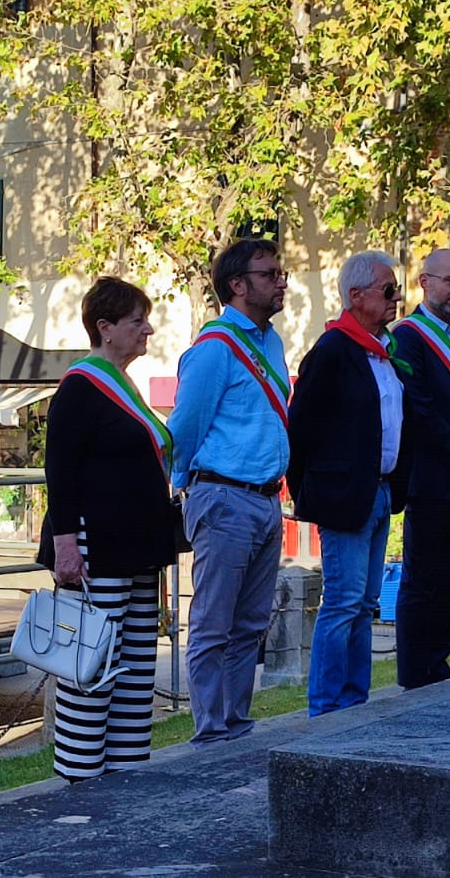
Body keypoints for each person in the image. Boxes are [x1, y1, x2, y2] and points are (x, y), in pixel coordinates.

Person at [36, 278, 176, 780]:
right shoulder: (80, 386)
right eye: (137, 321)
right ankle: (80, 775)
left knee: (137, 665)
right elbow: (61, 470)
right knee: (92, 662)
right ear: (105, 327)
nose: (148, 330)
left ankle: (126, 768)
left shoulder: (125, 385)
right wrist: (66, 546)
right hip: (97, 547)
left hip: (137, 547)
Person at [167, 237, 290, 746]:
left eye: (280, 272)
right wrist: (183, 488)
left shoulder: (273, 342)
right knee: (215, 622)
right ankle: (209, 730)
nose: (280, 281)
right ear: (237, 286)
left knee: (251, 623)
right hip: (222, 496)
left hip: (264, 498)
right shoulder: (215, 348)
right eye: (268, 274)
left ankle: (235, 722)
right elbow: (186, 426)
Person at [288, 251, 407, 716]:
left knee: (366, 603)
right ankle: (326, 705)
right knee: (343, 600)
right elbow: (301, 427)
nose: (396, 298)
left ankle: (355, 699)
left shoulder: (383, 352)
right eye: (388, 290)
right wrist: (309, 492)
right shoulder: (334, 350)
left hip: (378, 490)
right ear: (356, 296)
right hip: (345, 495)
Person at [390, 249, 450, 689]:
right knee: (422, 584)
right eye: (448, 281)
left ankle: (437, 668)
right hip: (430, 479)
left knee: (448, 580)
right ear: (424, 282)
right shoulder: (408, 336)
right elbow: (421, 410)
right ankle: (416, 676)